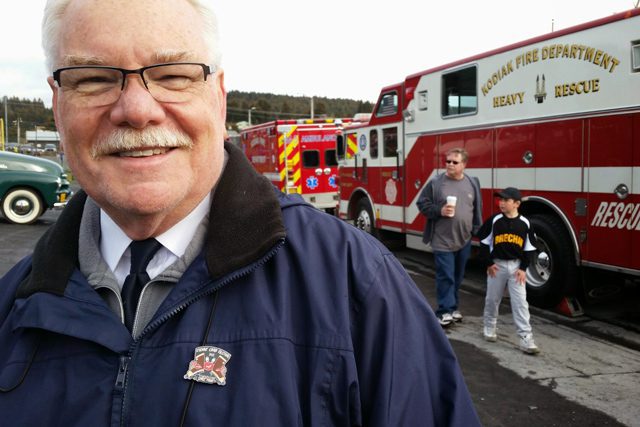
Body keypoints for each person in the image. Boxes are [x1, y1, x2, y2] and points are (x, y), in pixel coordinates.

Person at [0, 0, 481, 425]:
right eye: (94, 79)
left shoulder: (357, 285)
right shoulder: (11, 306)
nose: (138, 109)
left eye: (173, 75)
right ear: (57, 104)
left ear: (218, 94)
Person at [416, 148, 482, 326]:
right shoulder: (436, 183)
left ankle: (453, 308)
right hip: (442, 239)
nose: (449, 165)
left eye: (454, 162)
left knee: (458, 276)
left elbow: (476, 208)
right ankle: (444, 311)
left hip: (464, 239)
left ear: (464, 165)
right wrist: (440, 210)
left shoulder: (472, 182)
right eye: (447, 161)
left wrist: (476, 229)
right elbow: (422, 204)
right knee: (446, 276)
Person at [477, 187, 540, 355]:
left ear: (517, 204)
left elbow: (529, 248)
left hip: (516, 267)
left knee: (520, 303)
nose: (501, 203)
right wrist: (489, 263)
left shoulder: (525, 223)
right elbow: (483, 242)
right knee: (492, 299)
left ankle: (526, 338)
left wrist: (523, 268)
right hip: (497, 266)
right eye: (500, 200)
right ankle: (489, 326)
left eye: (506, 200)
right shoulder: (495, 220)